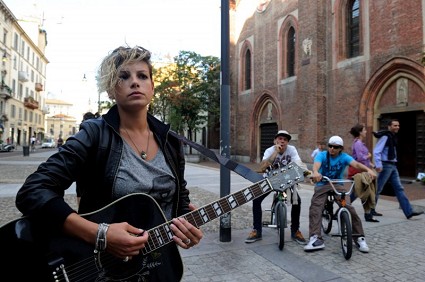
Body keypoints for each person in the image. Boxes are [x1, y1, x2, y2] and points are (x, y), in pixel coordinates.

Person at [15, 46, 203, 279]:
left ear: (152, 87)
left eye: (142, 76)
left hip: (157, 266)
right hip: (96, 268)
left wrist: (188, 228)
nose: (135, 82)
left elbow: (179, 203)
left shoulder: (171, 142)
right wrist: (99, 234)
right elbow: (33, 190)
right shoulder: (95, 134)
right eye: (124, 77)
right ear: (111, 90)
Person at [304, 136, 376, 253]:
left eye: (335, 147)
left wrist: (368, 170)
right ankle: (315, 238)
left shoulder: (344, 157)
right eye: (330, 146)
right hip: (322, 184)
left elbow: (356, 164)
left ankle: (359, 238)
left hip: (337, 184)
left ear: (340, 148)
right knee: (316, 207)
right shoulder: (322, 155)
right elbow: (316, 164)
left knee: (348, 207)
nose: (332, 149)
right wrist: (316, 172)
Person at [245, 130, 307, 245]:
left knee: (297, 201)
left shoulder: (292, 150)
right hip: (269, 180)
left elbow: (298, 163)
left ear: (288, 142)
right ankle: (257, 230)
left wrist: (304, 171)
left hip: (286, 180)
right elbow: (263, 167)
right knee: (256, 199)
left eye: (285, 139)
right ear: (275, 141)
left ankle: (295, 230)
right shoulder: (270, 150)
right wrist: (275, 153)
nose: (282, 141)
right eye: (280, 139)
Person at [373, 119, 424, 219]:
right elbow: (376, 151)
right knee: (378, 189)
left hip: (393, 165)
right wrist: (378, 165)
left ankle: (408, 212)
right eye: (395, 125)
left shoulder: (392, 137)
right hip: (386, 165)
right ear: (389, 126)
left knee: (399, 188)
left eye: (398, 125)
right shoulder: (385, 136)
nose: (397, 127)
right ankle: (369, 210)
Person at [349, 123, 379, 222]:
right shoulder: (357, 143)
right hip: (359, 172)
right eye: (364, 130)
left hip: (364, 171)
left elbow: (364, 160)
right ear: (360, 132)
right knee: (357, 193)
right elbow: (359, 158)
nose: (366, 131)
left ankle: (368, 215)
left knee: (364, 191)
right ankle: (342, 207)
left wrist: (372, 165)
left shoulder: (361, 144)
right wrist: (368, 156)